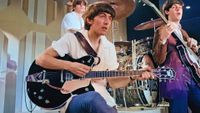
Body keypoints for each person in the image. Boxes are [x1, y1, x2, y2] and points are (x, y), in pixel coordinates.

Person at [36, 2, 154, 113]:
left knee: (105, 104)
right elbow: (41, 59)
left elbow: (112, 82)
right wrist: (70, 66)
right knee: (93, 99)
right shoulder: (71, 39)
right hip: (70, 96)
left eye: (110, 18)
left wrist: (133, 77)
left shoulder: (109, 48)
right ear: (89, 20)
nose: (107, 22)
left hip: (101, 97)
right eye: (102, 16)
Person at [152, 0, 200, 113]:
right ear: (167, 11)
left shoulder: (183, 32)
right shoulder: (161, 30)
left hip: (193, 78)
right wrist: (163, 40)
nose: (179, 9)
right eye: (174, 7)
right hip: (175, 80)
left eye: (180, 7)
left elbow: (190, 57)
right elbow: (159, 60)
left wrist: (194, 49)